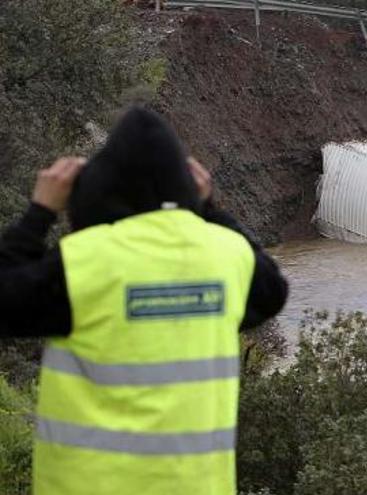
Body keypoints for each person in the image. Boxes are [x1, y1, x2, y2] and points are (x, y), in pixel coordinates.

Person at [0, 107, 289, 494]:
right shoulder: (227, 256)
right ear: (188, 184)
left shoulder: (85, 261)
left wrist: (39, 213)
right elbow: (272, 292)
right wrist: (209, 209)